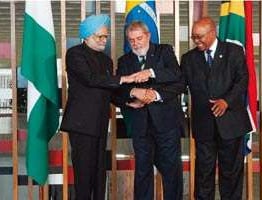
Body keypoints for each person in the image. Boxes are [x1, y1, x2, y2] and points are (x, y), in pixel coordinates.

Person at [60, 14, 136, 200]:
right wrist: (124, 78)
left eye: (105, 36)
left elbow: (109, 91)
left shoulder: (106, 61)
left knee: (99, 174)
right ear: (86, 36)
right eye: (99, 36)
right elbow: (91, 79)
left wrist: (127, 100)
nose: (103, 40)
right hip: (82, 125)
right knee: (84, 175)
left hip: (100, 124)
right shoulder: (75, 54)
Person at [181, 17, 252, 200]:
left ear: (213, 33)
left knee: (231, 174)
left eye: (200, 36)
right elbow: (179, 85)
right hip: (204, 126)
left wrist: (226, 101)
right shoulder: (188, 58)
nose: (196, 41)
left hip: (231, 123)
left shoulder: (234, 51)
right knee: (204, 174)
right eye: (193, 37)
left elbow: (243, 80)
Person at [117, 21, 185, 200]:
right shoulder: (124, 61)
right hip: (140, 125)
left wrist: (152, 80)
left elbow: (177, 78)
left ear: (148, 36)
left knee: (172, 172)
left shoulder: (164, 51)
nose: (135, 43)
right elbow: (117, 92)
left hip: (166, 124)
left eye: (139, 38)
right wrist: (132, 94)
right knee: (143, 172)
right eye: (131, 40)